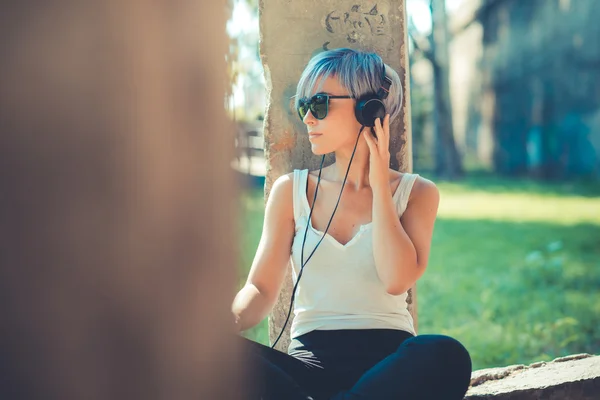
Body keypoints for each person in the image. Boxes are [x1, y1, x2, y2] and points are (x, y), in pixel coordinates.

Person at [231, 48, 472, 400]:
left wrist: (379, 184)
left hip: (388, 370)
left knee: (445, 354)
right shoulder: (291, 191)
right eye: (304, 106)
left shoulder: (417, 193)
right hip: (307, 371)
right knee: (217, 356)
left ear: (369, 109)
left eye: (320, 104)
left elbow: (396, 279)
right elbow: (261, 289)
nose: (308, 118)